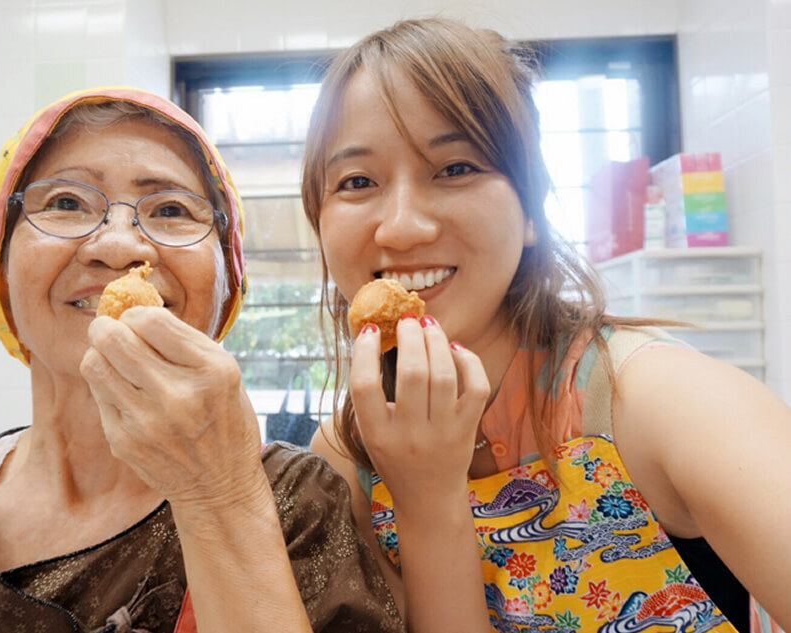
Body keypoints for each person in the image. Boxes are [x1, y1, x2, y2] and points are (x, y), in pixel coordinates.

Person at [0, 86, 404, 633]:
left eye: (172, 210)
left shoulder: (299, 507)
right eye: (66, 201)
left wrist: (218, 496)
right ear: (0, 268)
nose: (119, 247)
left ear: (228, 282)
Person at [301, 18, 791, 633]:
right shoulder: (348, 458)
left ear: (532, 209)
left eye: (455, 168)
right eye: (358, 181)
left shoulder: (657, 400)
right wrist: (426, 501)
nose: (401, 227)